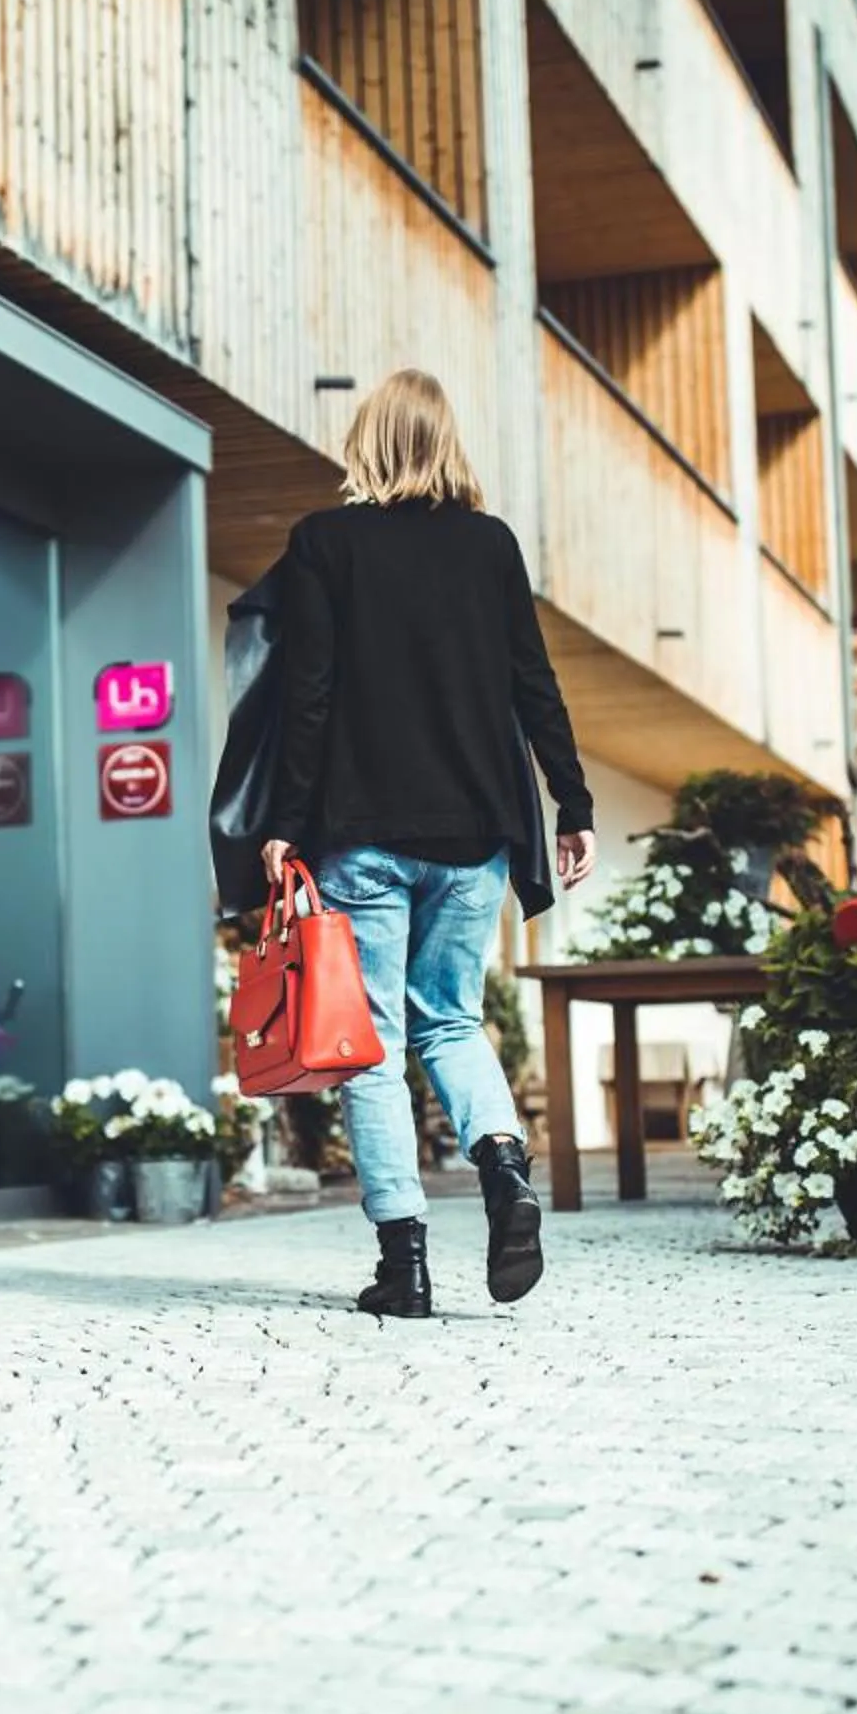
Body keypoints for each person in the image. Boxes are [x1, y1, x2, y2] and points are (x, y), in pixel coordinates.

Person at [252, 369, 596, 1318]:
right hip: (476, 832)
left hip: (361, 833)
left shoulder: (325, 544)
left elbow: (307, 697)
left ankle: (402, 1265)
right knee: (451, 1023)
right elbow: (536, 684)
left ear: (366, 443)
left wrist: (283, 823)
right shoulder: (489, 548)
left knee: (372, 1049)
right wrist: (574, 805)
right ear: (447, 444)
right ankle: (503, 1171)